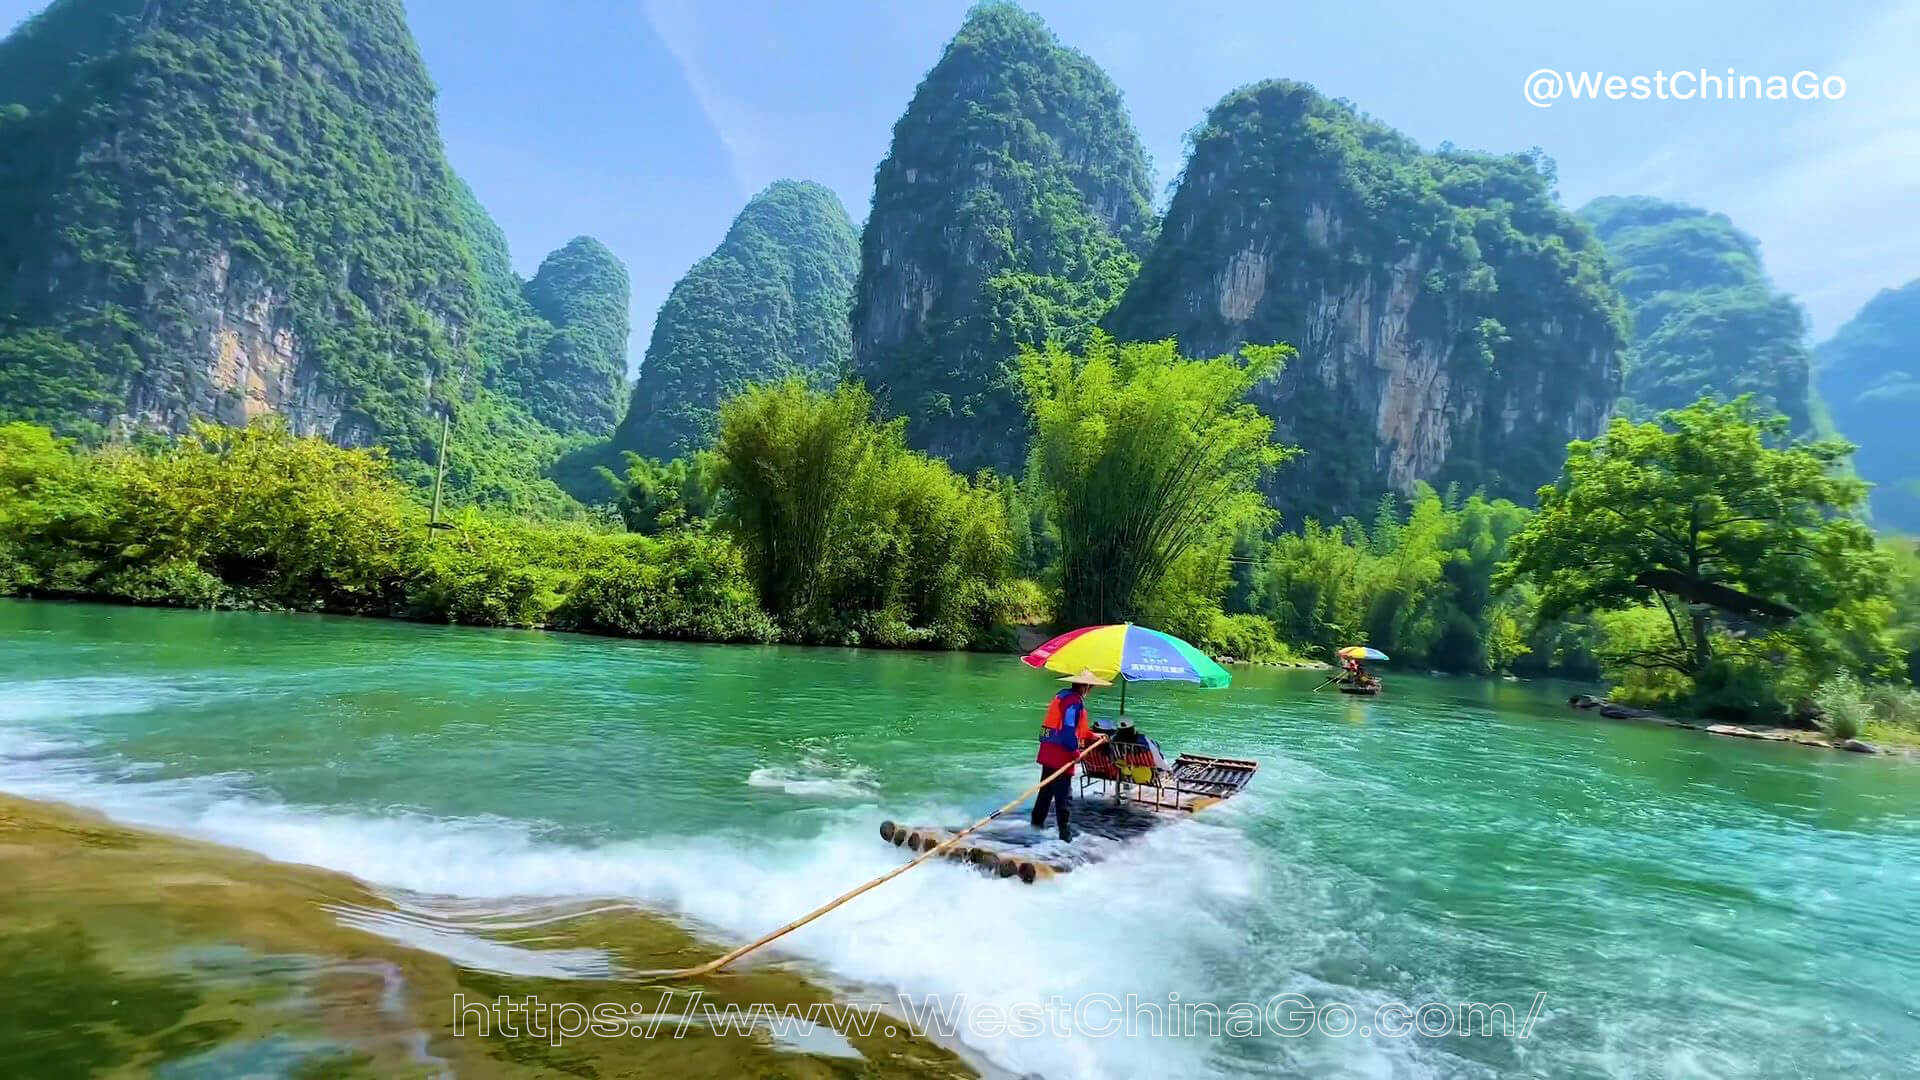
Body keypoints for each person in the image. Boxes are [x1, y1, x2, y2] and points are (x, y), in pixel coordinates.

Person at [1033, 669, 1106, 842]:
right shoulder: (1073, 703)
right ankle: (1065, 837)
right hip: (1061, 755)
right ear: (1085, 686)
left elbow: (1078, 730)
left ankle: (1035, 829)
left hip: (1048, 752)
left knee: (1046, 792)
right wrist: (1074, 752)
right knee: (1064, 796)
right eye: (1091, 687)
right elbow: (1067, 730)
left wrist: (1095, 737)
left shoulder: (1062, 697)